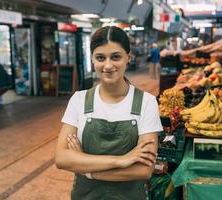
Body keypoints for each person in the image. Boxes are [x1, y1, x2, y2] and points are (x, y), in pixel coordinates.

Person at [55, 26, 163, 200]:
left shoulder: (146, 103)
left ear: (128, 57)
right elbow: (61, 158)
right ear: (92, 59)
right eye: (100, 57)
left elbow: (144, 170)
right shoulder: (79, 100)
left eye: (116, 57)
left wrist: (86, 168)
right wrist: (121, 160)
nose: (107, 65)